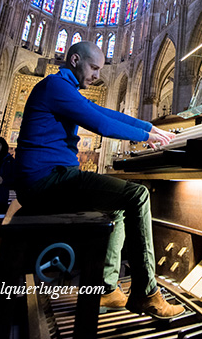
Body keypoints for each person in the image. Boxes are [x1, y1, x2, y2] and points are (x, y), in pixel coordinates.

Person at [13, 41, 184, 319]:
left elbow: (103, 112)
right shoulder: (55, 87)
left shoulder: (63, 88)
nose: (96, 75)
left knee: (115, 205)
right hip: (45, 181)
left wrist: (147, 126)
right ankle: (147, 293)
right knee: (138, 195)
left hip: (50, 179)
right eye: (93, 68)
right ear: (75, 60)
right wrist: (145, 137)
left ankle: (106, 288)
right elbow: (99, 123)